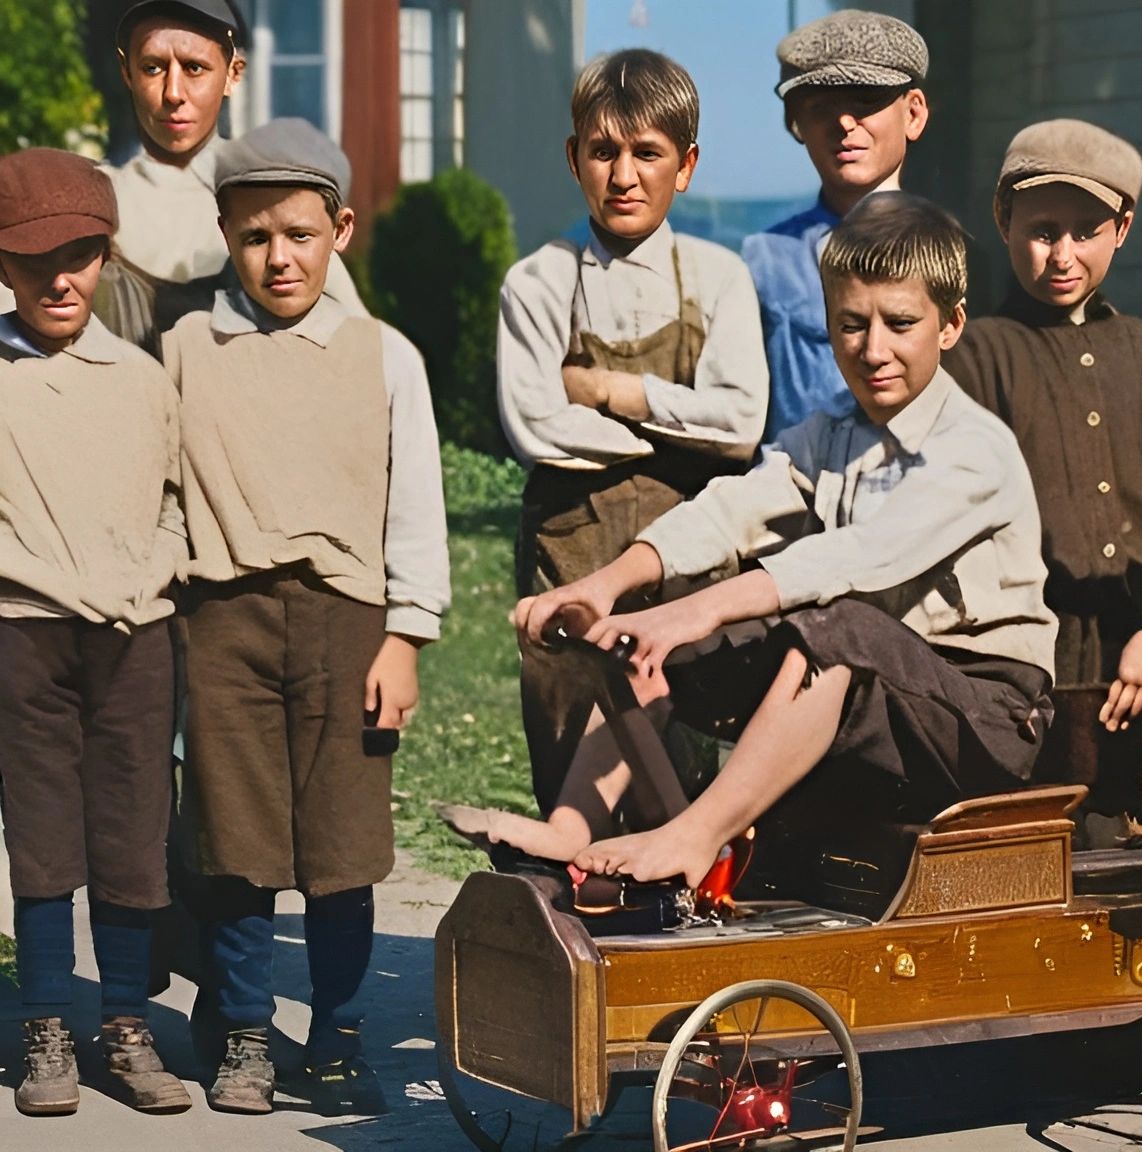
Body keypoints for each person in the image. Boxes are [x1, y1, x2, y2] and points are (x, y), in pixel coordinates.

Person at [449, 193, 1055, 891]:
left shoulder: (974, 449)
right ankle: (572, 826)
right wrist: (606, 586)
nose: (873, 350)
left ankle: (698, 835)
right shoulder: (832, 432)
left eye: (900, 324)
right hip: (874, 684)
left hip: (984, 717)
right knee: (656, 633)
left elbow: (856, 557)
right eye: (850, 324)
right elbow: (730, 510)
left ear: (950, 326)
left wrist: (697, 610)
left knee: (832, 625)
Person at [164, 118, 450, 1116]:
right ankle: (245, 1033)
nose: (278, 258)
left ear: (341, 230)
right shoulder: (188, 348)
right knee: (235, 844)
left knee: (341, 848)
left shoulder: (384, 356)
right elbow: (162, 490)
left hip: (347, 626)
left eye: (299, 234)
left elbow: (415, 505)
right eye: (254, 237)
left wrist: (405, 637)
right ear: (225, 235)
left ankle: (336, 1033)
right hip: (222, 622)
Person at [498, 49, 768, 809]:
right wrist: (681, 422)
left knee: (685, 759)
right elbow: (536, 428)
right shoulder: (538, 282)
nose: (624, 176)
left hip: (691, 558)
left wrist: (613, 392)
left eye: (647, 153)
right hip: (569, 544)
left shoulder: (719, 278)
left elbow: (742, 424)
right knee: (568, 749)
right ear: (573, 158)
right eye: (603, 152)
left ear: (686, 166)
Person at [943, 119, 1142, 825]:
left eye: (1086, 231)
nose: (1063, 255)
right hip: (1030, 660)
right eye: (1042, 231)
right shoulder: (976, 356)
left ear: (1121, 229)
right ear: (1005, 223)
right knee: (1038, 833)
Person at [0, 148, 189, 1118]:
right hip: (26, 632)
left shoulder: (142, 379)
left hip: (134, 635)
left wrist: (147, 575)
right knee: (40, 838)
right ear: (3, 264)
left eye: (77, 257)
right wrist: (60, 582)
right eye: (33, 262)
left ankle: (125, 1024)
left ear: (107, 256)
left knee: (131, 832)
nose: (58, 281)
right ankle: (44, 1027)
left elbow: (176, 508)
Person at [68, 0, 367, 355]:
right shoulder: (90, 198)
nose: (173, 93)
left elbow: (358, 341)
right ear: (127, 73)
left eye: (194, 68)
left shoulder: (270, 191)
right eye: (152, 68)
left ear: (233, 74)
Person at [744, 8, 929, 441]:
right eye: (820, 106)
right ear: (795, 123)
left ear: (913, 114)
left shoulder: (957, 251)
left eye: (865, 101)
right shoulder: (764, 261)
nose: (844, 122)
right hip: (797, 479)